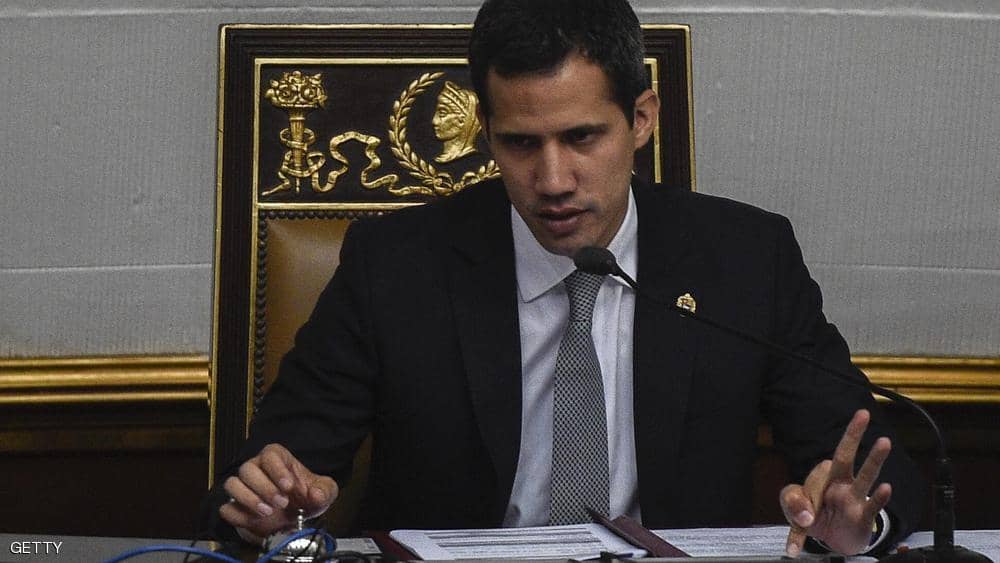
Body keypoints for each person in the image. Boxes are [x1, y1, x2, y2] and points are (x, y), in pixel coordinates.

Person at [203, 0, 923, 557]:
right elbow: (267, 469)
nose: (552, 180)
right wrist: (271, 502)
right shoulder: (396, 266)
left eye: (581, 137)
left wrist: (860, 519)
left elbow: (872, 470)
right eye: (521, 144)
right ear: (487, 132)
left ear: (641, 119)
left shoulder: (744, 259)